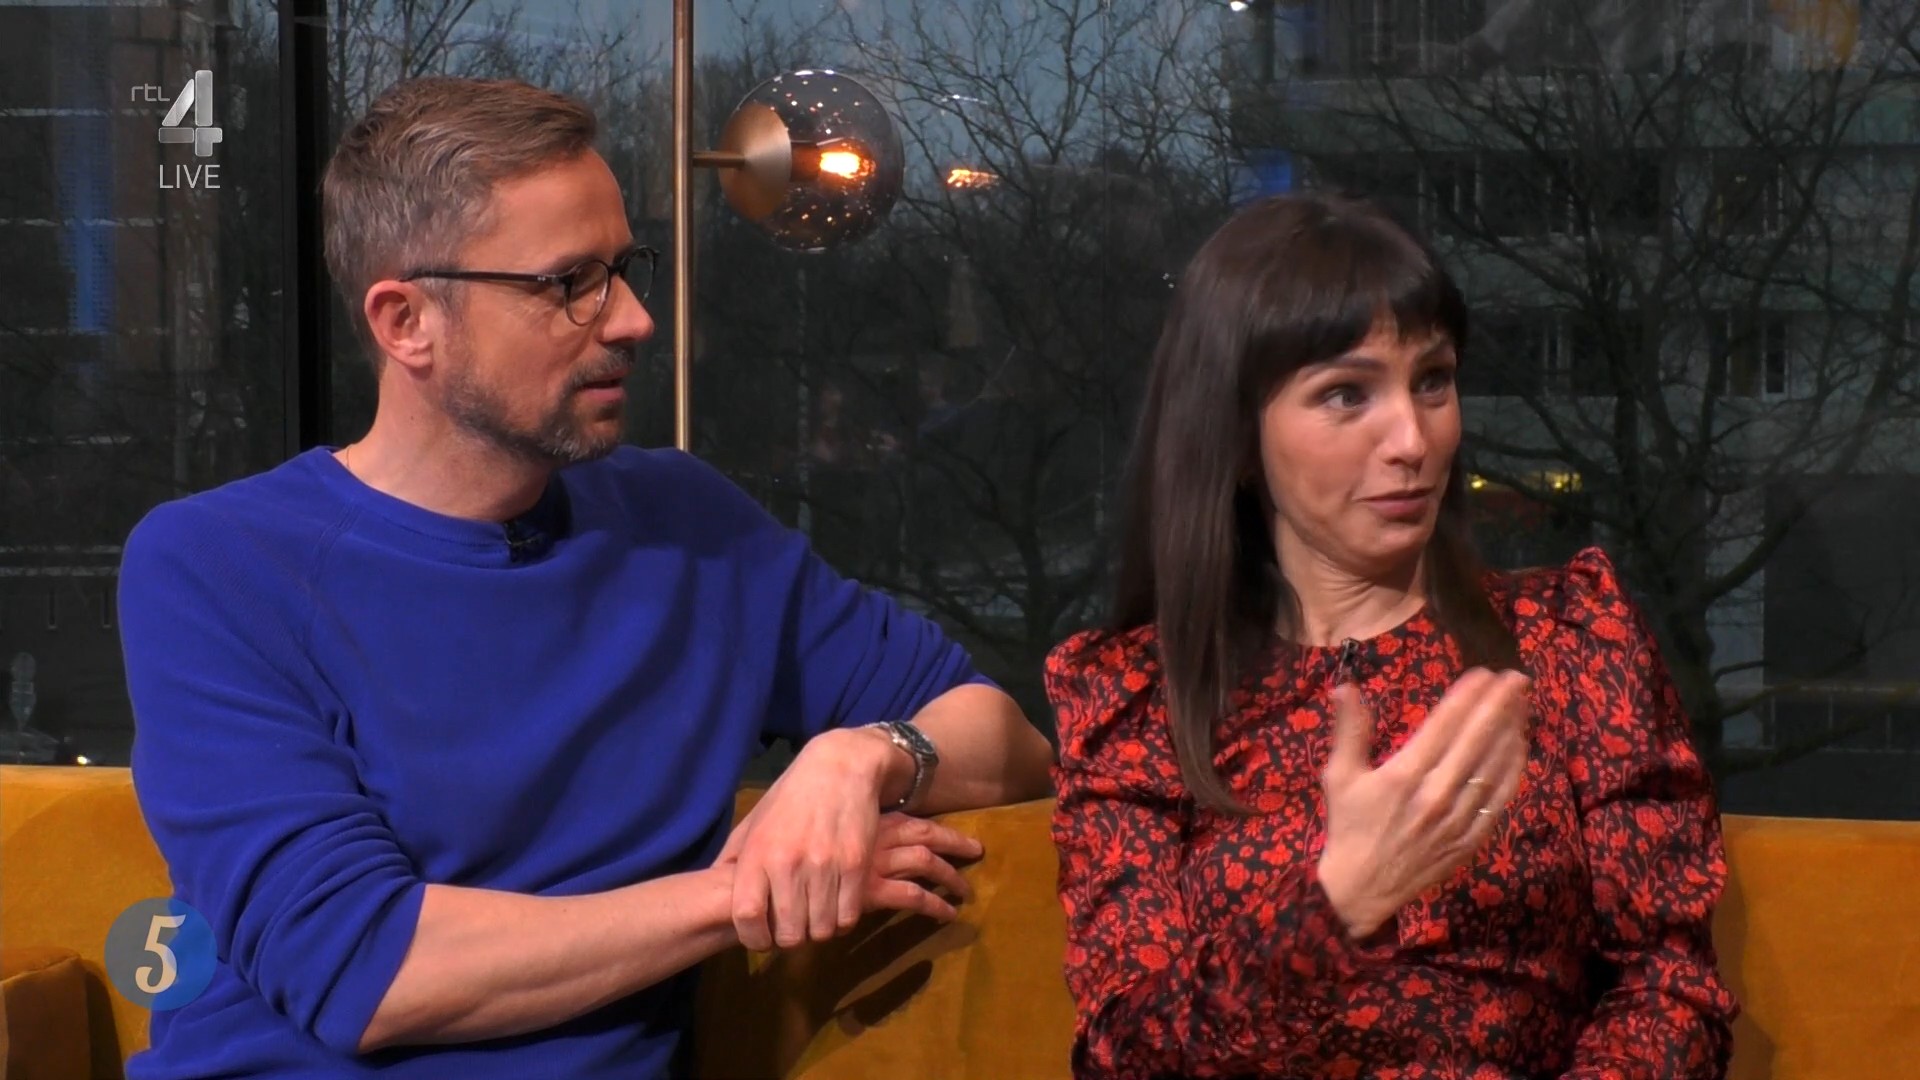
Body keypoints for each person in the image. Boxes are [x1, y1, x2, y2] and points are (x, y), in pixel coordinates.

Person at [115, 76, 1054, 1080]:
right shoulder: (214, 565)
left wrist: (868, 757)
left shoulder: (689, 527)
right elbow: (363, 971)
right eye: (569, 283)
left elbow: (1011, 742)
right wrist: (744, 894)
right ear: (405, 322)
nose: (633, 319)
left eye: (623, 269)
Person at [1046, 193, 1737, 1079]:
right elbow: (1124, 1055)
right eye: (1347, 394)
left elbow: (1669, 988)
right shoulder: (1140, 696)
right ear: (1239, 438)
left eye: (1433, 380)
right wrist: (1336, 904)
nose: (1413, 439)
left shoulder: (1570, 637)